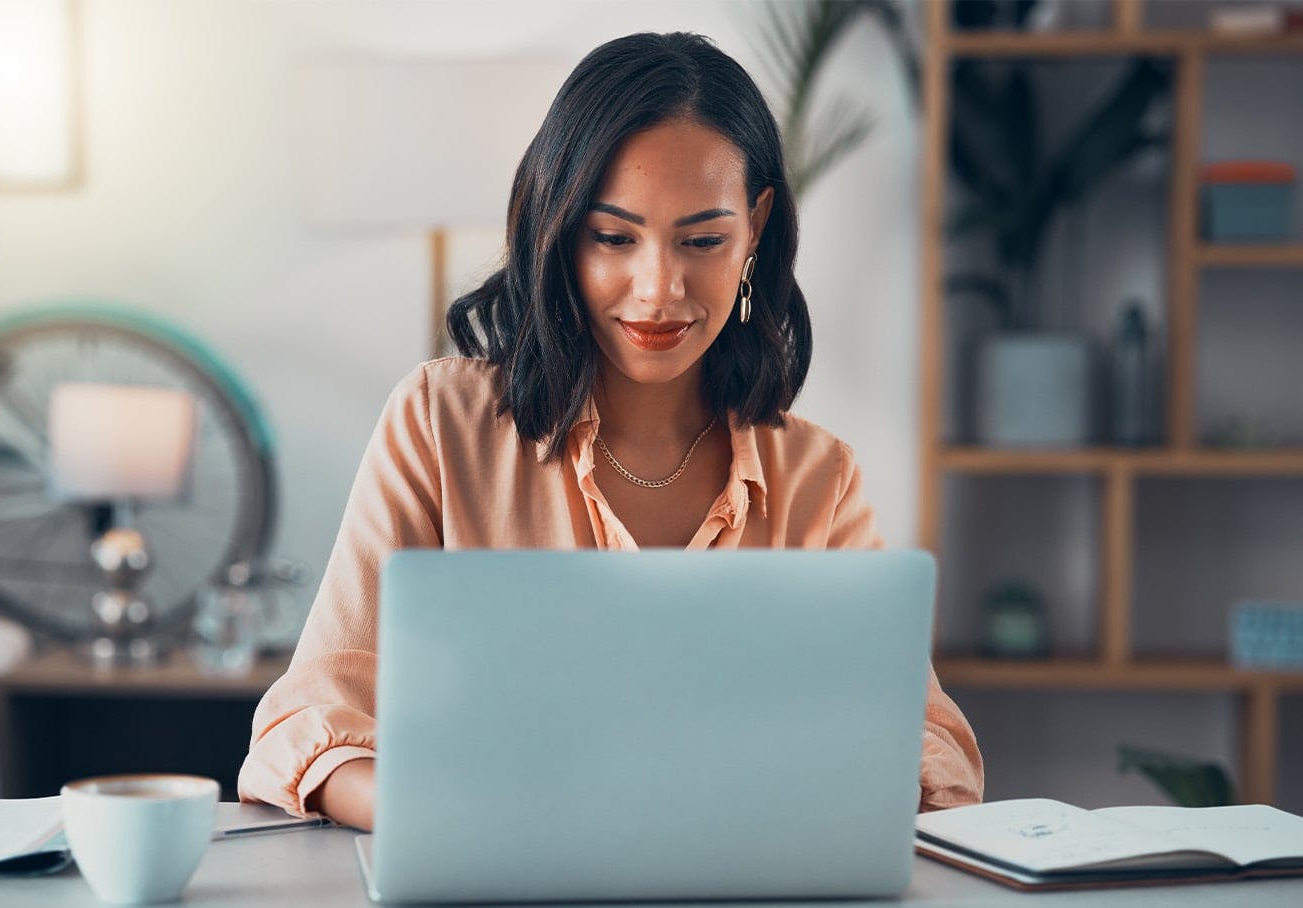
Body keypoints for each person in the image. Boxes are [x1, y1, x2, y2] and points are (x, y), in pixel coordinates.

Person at [239, 31, 983, 832]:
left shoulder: (816, 478)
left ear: (756, 229)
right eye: (612, 237)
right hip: (493, 872)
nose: (659, 289)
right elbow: (308, 721)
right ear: (557, 232)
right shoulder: (438, 424)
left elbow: (925, 742)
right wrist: (442, 816)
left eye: (702, 240)